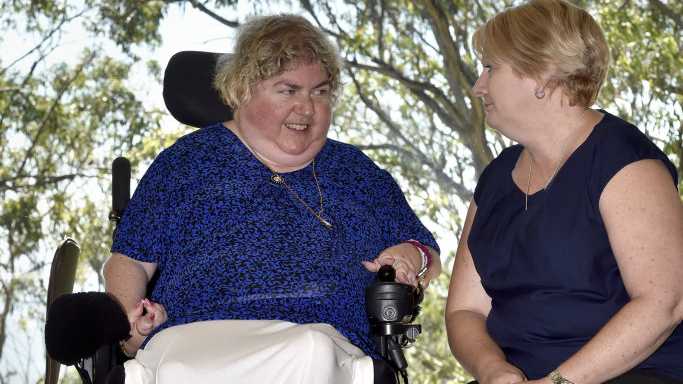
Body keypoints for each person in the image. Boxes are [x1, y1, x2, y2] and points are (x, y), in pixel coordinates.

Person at [103, 14, 441, 383]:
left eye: (320, 91)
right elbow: (130, 261)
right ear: (243, 89)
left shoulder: (355, 172)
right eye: (289, 90)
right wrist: (130, 328)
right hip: (191, 341)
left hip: (328, 344)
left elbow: (423, 250)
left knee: (311, 352)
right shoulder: (185, 163)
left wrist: (412, 259)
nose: (307, 108)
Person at [445, 0, 683, 383]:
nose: (478, 86)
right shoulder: (495, 178)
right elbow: (464, 312)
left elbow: (664, 303)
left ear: (540, 73)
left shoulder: (624, 161)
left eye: (490, 68)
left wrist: (559, 381)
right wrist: (493, 371)